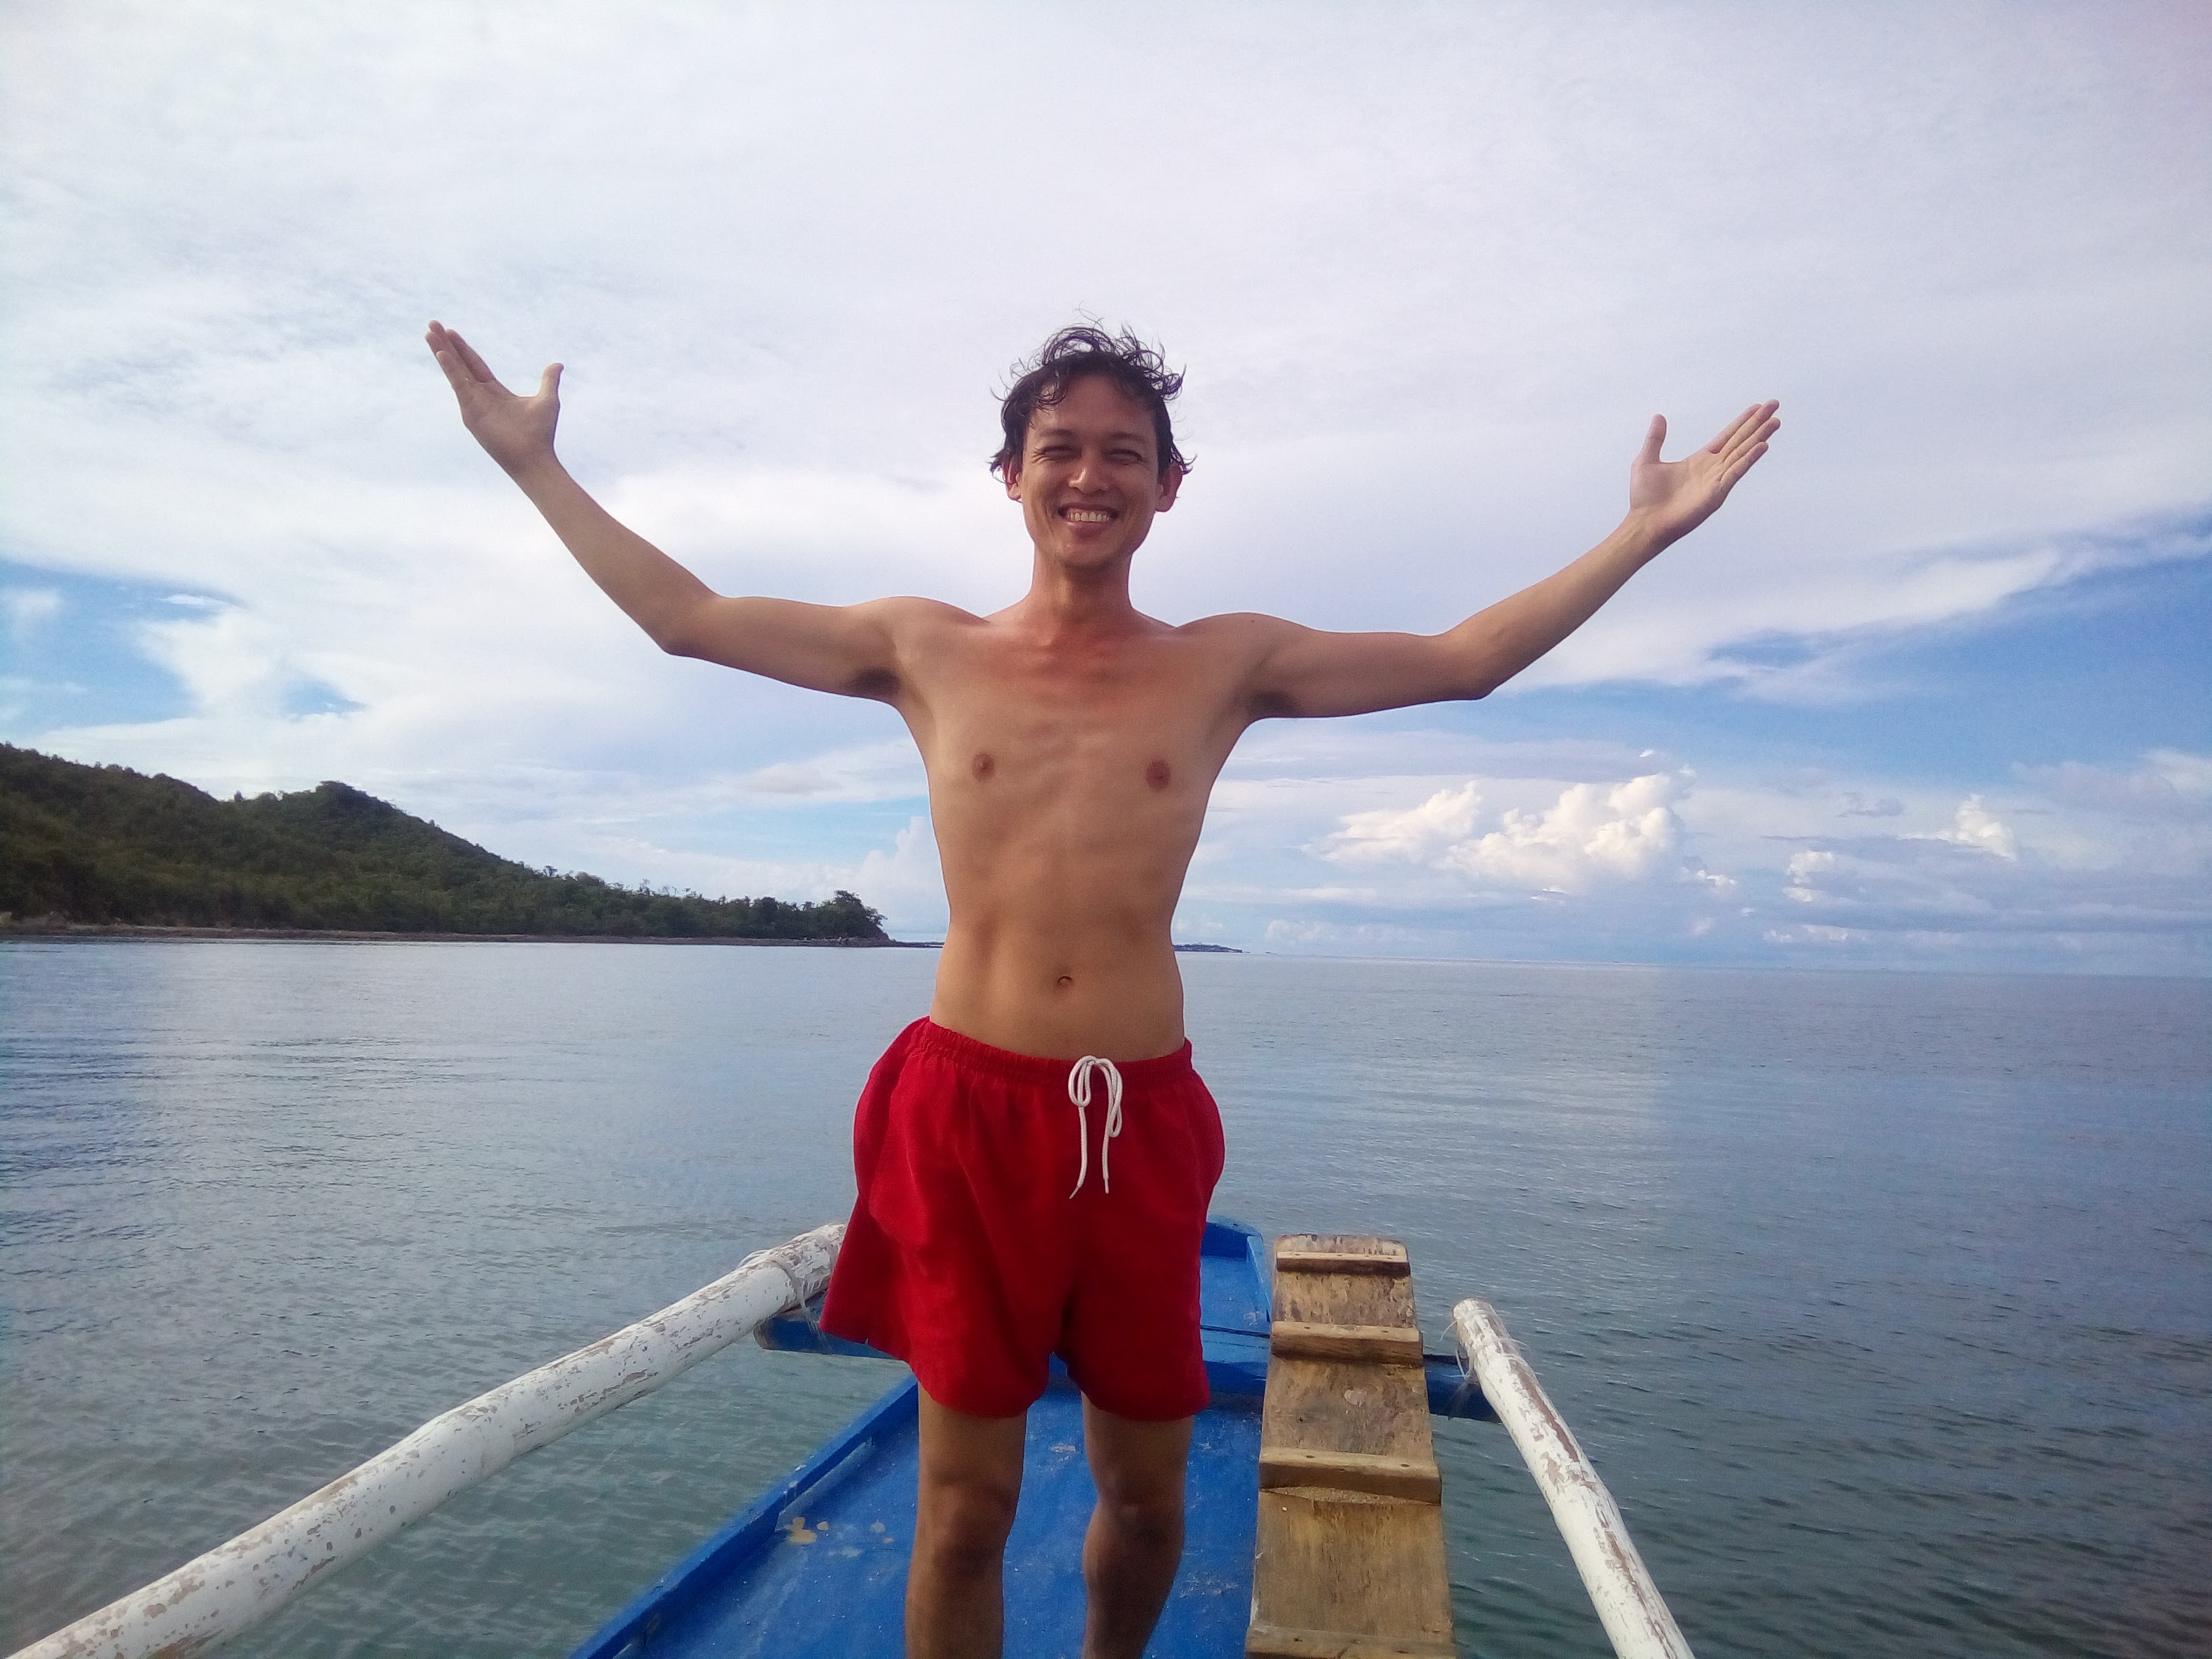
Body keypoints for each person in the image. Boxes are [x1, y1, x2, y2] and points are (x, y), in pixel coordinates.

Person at [427, 319, 1778, 1658]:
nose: (1089, 475)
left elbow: (1467, 659)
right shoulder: (923, 646)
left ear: (1168, 486)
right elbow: (687, 620)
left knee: (1145, 1502)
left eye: (1123, 452)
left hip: (1138, 1121)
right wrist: (534, 465)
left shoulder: (1225, 663)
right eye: (1058, 448)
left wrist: (1642, 533)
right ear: (1010, 474)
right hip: (967, 1112)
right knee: (965, 1513)